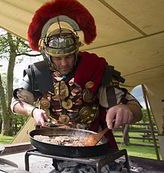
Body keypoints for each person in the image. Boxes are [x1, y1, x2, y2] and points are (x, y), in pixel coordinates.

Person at [11, 0, 142, 152]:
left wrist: (126, 109)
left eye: (68, 57)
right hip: (49, 144)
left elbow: (136, 109)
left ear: (76, 52)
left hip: (89, 145)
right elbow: (15, 104)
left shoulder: (93, 69)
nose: (64, 63)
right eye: (57, 58)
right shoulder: (39, 73)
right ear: (48, 56)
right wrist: (33, 111)